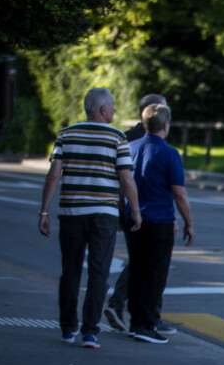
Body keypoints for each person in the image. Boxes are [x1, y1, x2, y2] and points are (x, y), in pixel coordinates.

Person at [38, 87, 142, 349]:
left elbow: (53, 174)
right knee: (99, 273)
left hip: (71, 213)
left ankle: (67, 327)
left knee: (70, 271)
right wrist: (135, 211)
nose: (116, 110)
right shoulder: (117, 138)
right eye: (114, 106)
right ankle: (90, 332)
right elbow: (126, 178)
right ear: (103, 109)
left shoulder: (67, 134)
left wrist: (44, 211)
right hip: (104, 216)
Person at [104, 93, 174, 335]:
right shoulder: (149, 140)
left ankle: (137, 313)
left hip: (129, 210)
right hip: (149, 213)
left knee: (142, 262)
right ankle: (147, 317)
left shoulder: (127, 138)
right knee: (152, 266)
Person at [124, 104, 195, 344]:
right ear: (166, 125)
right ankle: (147, 324)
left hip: (133, 219)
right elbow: (179, 193)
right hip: (159, 220)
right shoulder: (169, 154)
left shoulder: (130, 148)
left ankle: (135, 322)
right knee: (155, 274)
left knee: (136, 270)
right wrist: (188, 222)